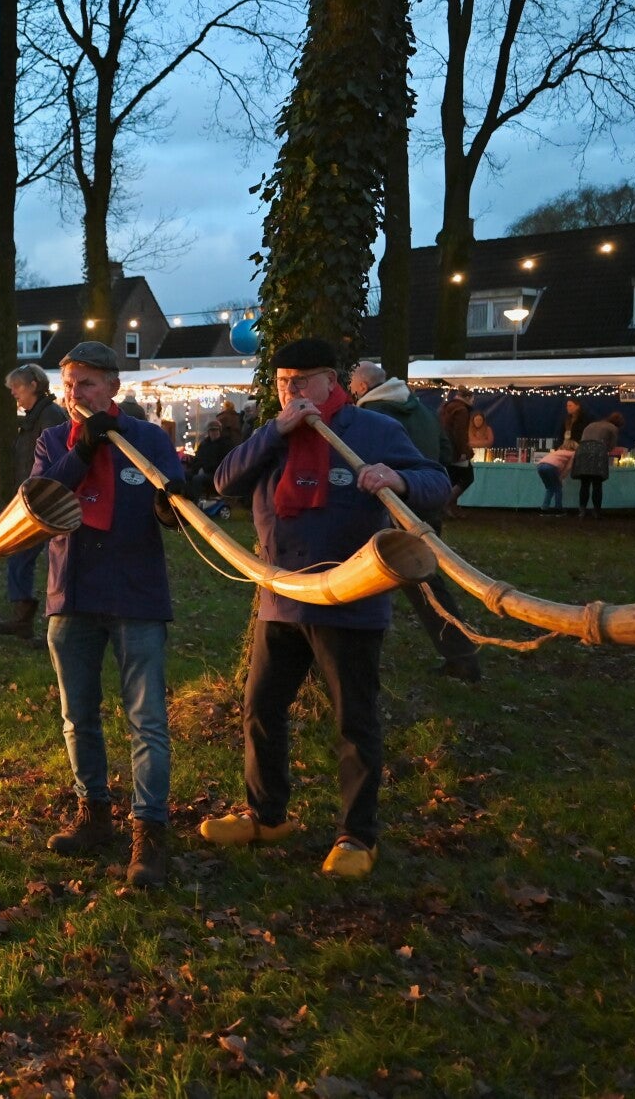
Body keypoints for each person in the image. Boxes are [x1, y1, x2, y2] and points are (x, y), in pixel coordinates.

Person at [206, 337, 450, 880]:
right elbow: (224, 481)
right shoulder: (273, 434)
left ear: (331, 382)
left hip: (350, 600)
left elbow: (436, 481)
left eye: (301, 381)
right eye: (282, 382)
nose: (290, 391)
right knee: (261, 710)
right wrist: (275, 431)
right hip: (282, 597)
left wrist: (398, 478)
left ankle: (357, 836)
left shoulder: (375, 430)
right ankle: (266, 815)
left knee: (353, 721)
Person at [32, 341, 185, 888]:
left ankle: (149, 830)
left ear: (114, 388)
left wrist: (172, 506)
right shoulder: (53, 440)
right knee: (78, 716)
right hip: (72, 595)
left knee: (147, 719)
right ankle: (93, 813)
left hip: (136, 596)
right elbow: (42, 498)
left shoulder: (147, 439)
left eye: (88, 384)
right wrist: (83, 448)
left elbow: (177, 507)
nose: (77, 394)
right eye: (69, 384)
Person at [349, 361, 481, 681]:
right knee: (427, 583)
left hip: (390, 509)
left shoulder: (371, 416)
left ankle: (460, 657)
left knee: (403, 583)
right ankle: (461, 656)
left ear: (363, 387)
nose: (352, 394)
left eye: (353, 388)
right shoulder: (422, 410)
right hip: (426, 504)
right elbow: (445, 453)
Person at [0, 363, 70, 639]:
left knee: (50, 561)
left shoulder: (50, 416)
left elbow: (57, 460)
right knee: (20, 556)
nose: (13, 393)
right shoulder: (35, 417)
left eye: (17, 387)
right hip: (32, 500)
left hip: (46, 502)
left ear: (33, 385)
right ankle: (24, 616)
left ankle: (58, 626)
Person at [573, 410, 620, 515]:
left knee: (584, 483)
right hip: (598, 453)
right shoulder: (613, 428)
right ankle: (597, 512)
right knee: (597, 483)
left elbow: (582, 439)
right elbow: (611, 446)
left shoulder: (591, 425)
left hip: (582, 451)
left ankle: (582, 511)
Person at [437, 387, 474, 511]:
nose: (473, 402)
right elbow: (460, 433)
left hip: (445, 448)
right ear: (467, 397)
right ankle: (445, 504)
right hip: (456, 451)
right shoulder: (462, 410)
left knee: (453, 479)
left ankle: (449, 507)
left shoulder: (445, 407)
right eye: (472, 399)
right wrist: (463, 451)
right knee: (467, 477)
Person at [534, 440, 576, 513]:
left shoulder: (558, 451)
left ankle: (544, 508)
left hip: (540, 466)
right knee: (558, 488)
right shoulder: (573, 453)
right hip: (551, 467)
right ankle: (558, 509)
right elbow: (568, 467)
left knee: (549, 488)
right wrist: (561, 477)